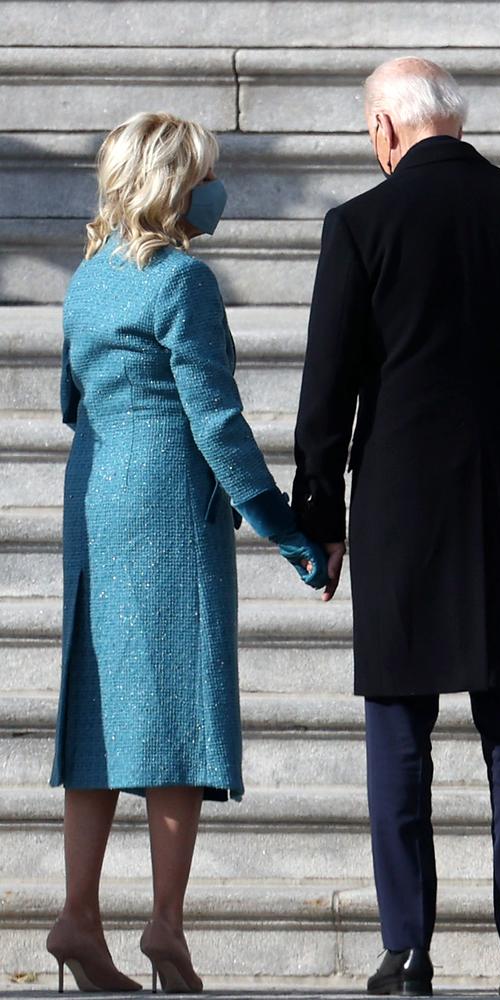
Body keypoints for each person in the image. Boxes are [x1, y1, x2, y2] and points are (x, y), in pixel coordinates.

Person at [292, 58, 500, 996]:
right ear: (449, 122)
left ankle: (408, 949)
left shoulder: (360, 224)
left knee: (399, 733)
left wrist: (321, 518)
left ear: (386, 129)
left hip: (401, 514)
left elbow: (326, 392)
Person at [47, 111, 328, 994]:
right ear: (175, 186)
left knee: (95, 705)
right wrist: (285, 528)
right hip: (167, 501)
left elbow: (70, 399)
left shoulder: (86, 279)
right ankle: (165, 925)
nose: (218, 189)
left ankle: (76, 914)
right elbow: (215, 419)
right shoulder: (182, 280)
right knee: (175, 709)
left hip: (95, 494)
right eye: (208, 174)